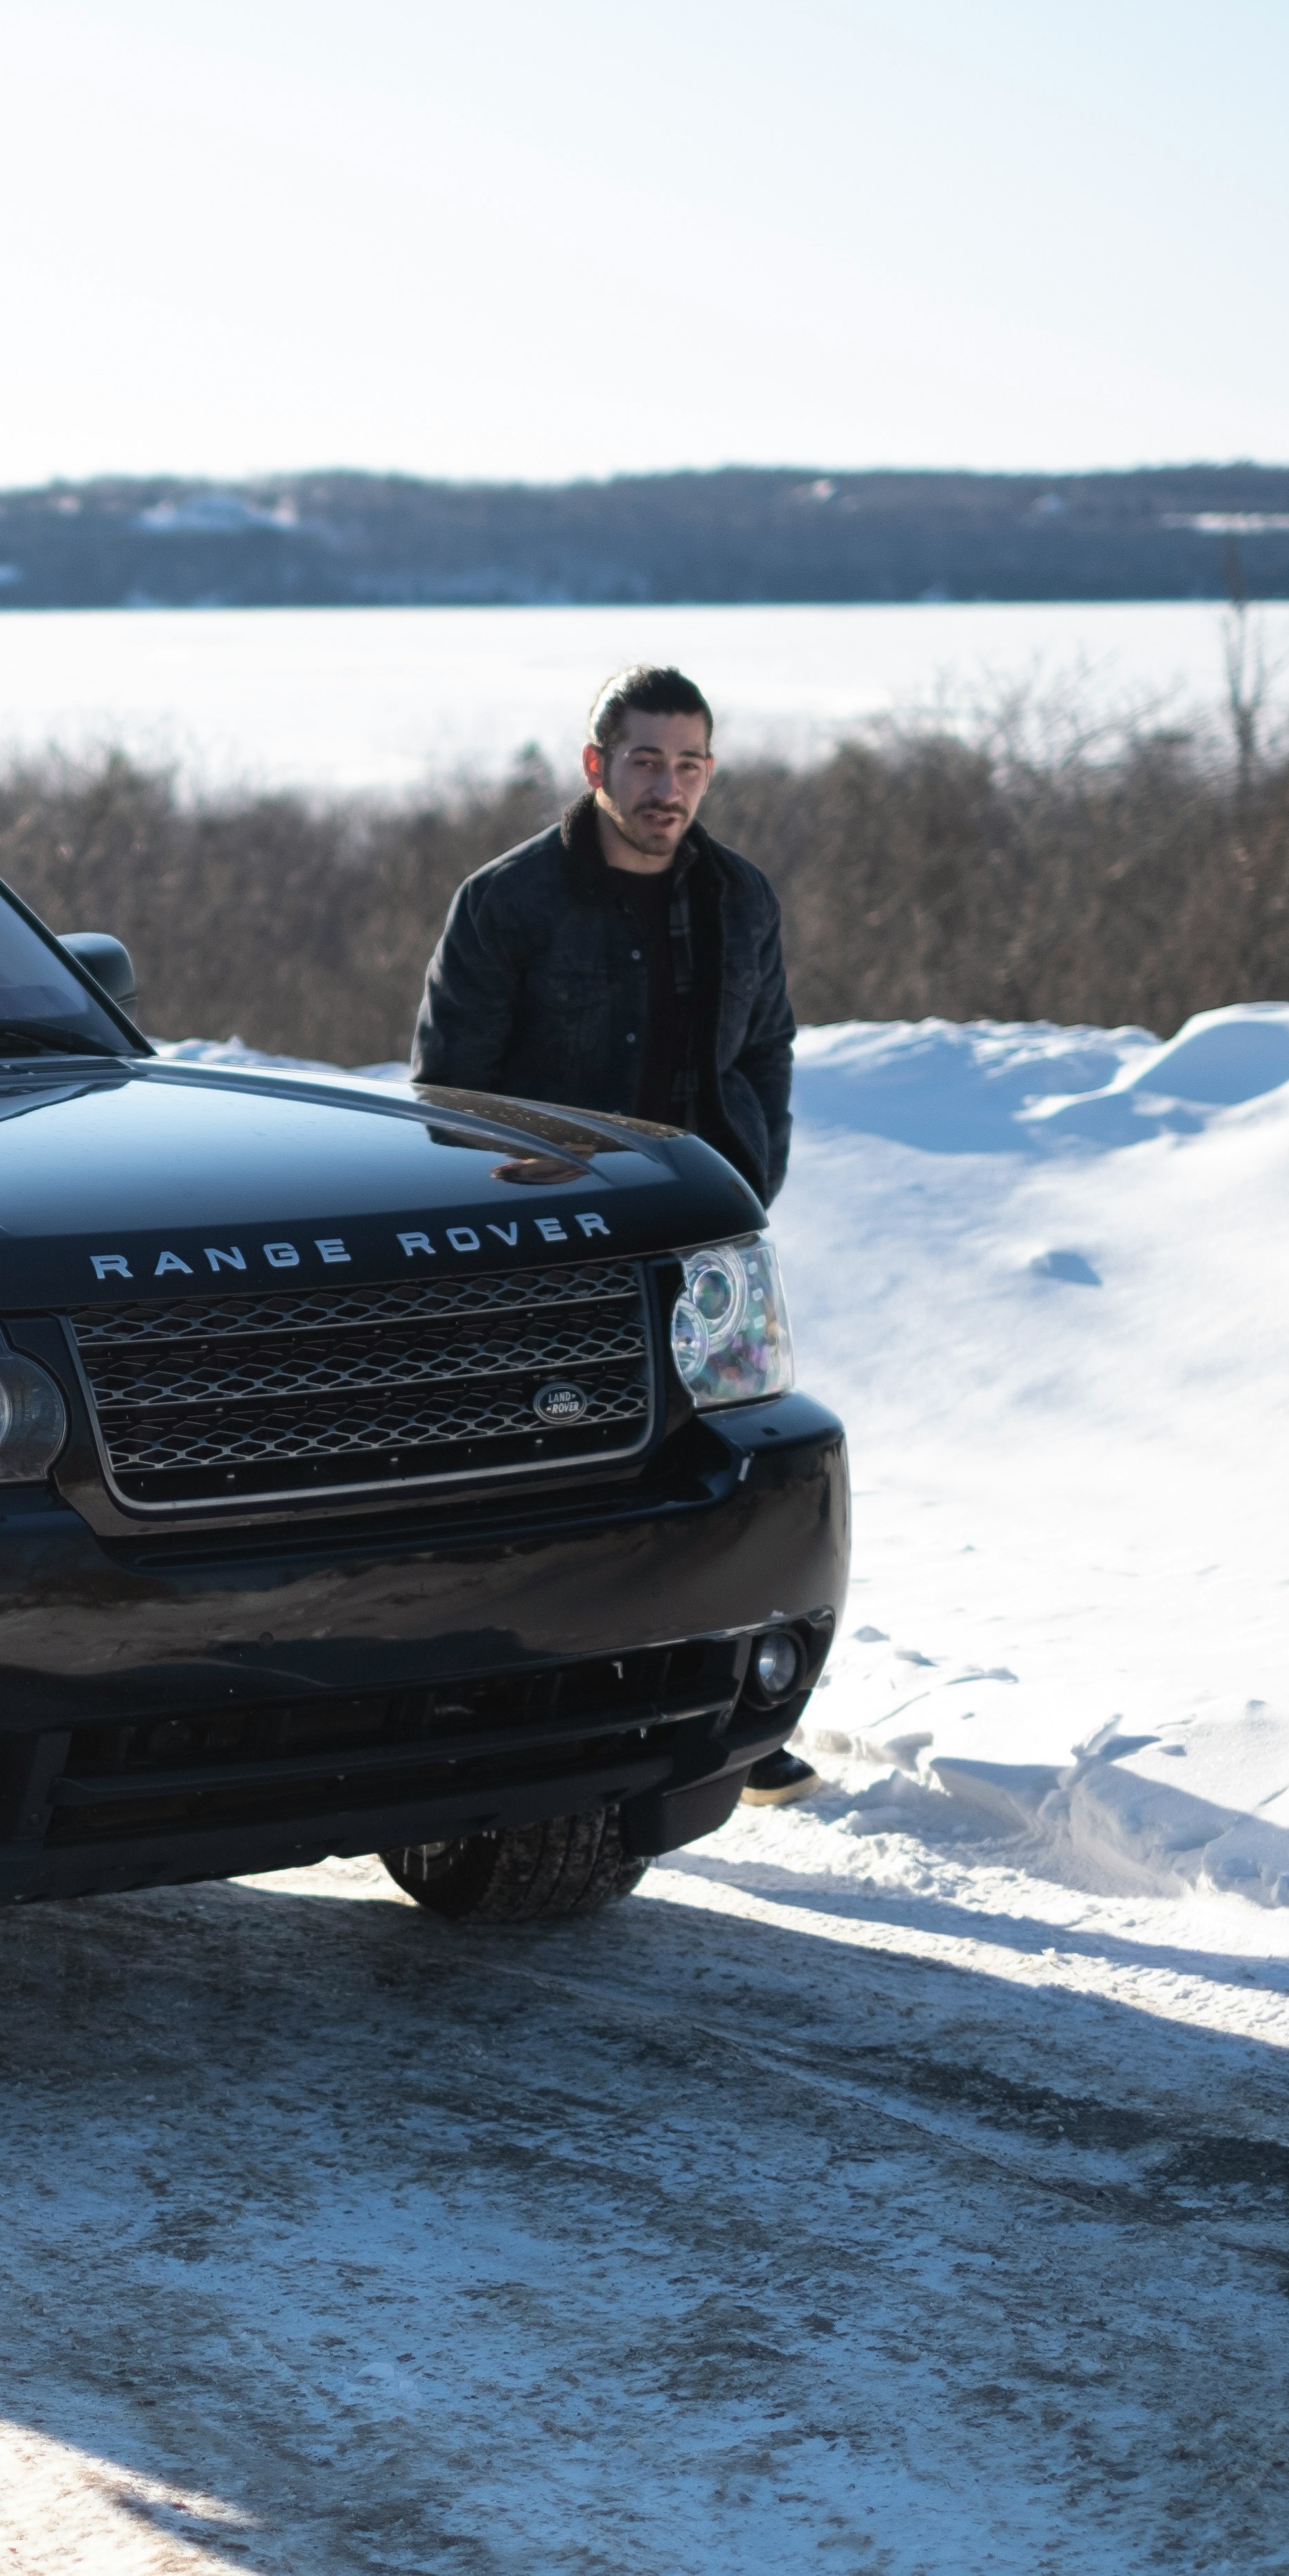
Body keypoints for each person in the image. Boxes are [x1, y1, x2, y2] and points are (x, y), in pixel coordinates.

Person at [408, 663, 818, 1804]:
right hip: (552, 1262)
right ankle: (510, 1713)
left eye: (690, 765)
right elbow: (447, 1094)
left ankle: (737, 1713)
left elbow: (765, 1051)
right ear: (597, 766)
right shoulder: (508, 903)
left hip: (704, 1254)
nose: (668, 788)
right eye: (646, 761)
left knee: (732, 1474)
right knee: (547, 1488)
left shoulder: (740, 898)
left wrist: (750, 1177)